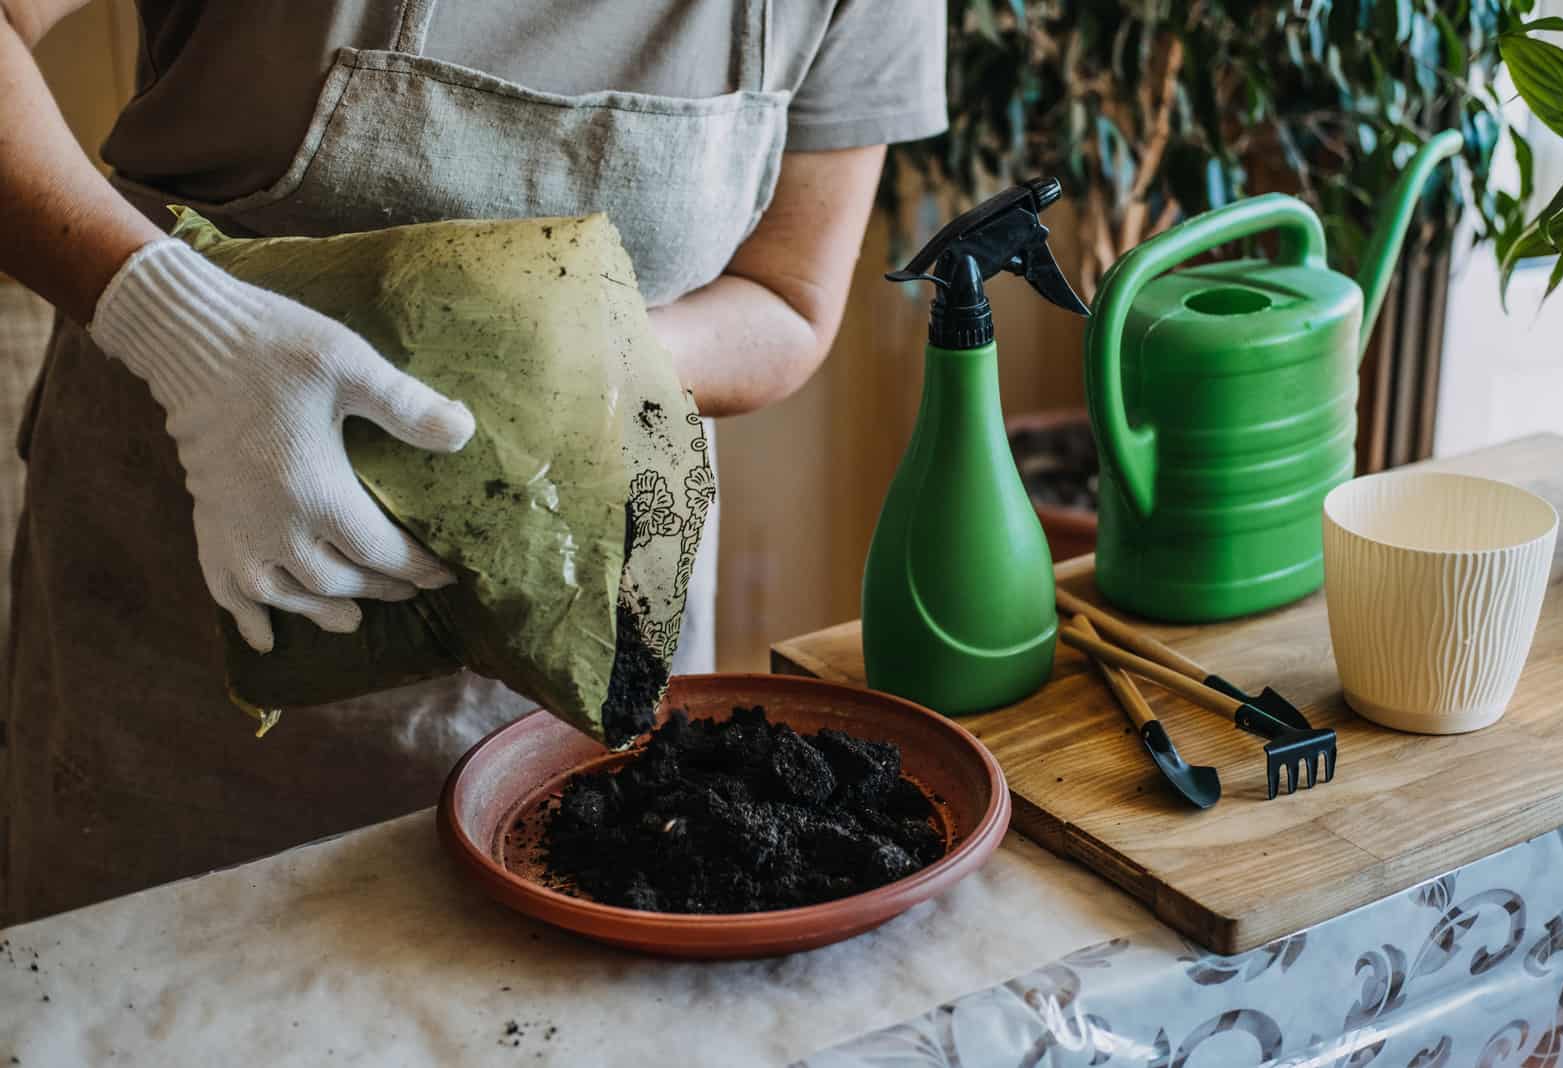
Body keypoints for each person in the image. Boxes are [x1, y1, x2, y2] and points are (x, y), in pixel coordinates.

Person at [0, 0, 946, 925]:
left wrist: (561, 353)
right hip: (189, 628)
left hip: (594, 614)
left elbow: (787, 300)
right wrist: (167, 315)